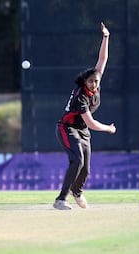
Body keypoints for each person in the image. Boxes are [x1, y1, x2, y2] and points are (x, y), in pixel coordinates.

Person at [53, 22, 116, 210]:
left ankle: (77, 192)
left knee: (86, 168)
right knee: (77, 160)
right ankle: (60, 200)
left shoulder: (97, 81)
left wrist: (106, 37)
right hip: (67, 128)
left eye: (96, 81)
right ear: (85, 82)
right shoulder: (81, 96)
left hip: (82, 130)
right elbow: (92, 123)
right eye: (91, 82)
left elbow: (102, 59)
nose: (94, 84)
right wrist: (108, 128)